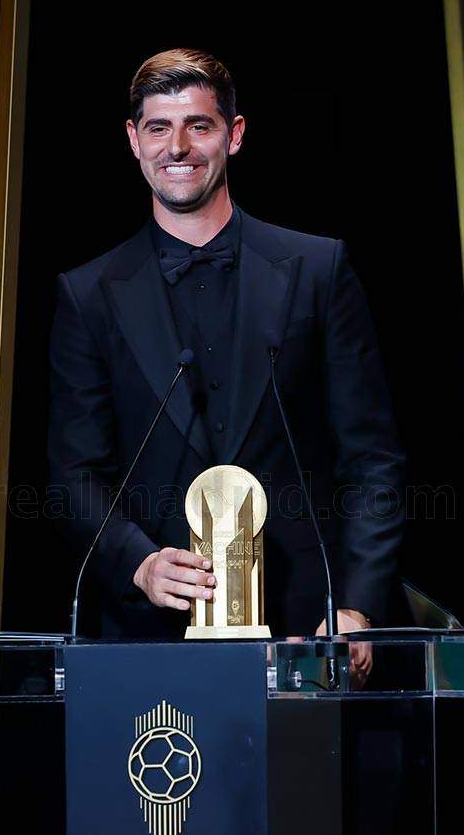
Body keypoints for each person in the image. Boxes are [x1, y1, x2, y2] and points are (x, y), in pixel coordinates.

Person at [48, 48, 405, 645]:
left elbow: (373, 459)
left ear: (234, 135)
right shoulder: (88, 295)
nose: (177, 147)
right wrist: (138, 562)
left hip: (310, 630)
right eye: (158, 128)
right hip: (151, 634)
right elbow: (74, 474)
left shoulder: (318, 270)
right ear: (134, 140)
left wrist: (355, 607)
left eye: (199, 126)